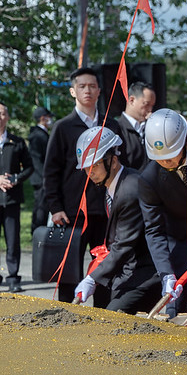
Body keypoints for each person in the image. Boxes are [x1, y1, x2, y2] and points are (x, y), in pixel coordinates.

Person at [43, 67, 125, 303]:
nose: (87, 90)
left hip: (107, 210)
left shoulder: (111, 125)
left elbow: (121, 165)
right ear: (72, 91)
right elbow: (51, 172)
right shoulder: (62, 127)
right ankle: (67, 316)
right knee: (69, 270)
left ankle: (103, 311)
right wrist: (55, 207)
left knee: (106, 265)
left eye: (92, 86)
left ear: (100, 91)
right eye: (82, 86)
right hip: (71, 212)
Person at [72, 126, 161, 313]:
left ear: (113, 160)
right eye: (87, 167)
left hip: (147, 272)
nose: (90, 172)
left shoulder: (130, 189)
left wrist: (92, 278)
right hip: (127, 270)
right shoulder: (114, 184)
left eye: (95, 165)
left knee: (114, 316)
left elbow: (123, 245)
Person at [139, 108, 187, 318]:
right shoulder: (149, 179)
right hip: (180, 240)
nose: (166, 163)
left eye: (171, 157)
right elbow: (154, 230)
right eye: (161, 159)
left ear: (186, 142)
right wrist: (166, 273)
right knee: (174, 302)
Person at [0, 101, 33, 292]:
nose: (0, 116)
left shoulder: (17, 142)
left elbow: (29, 167)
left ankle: (13, 277)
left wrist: (16, 178)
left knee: (12, 240)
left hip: (12, 199)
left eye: (3, 113)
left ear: (8, 117)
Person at [116, 81, 156, 171]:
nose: (150, 110)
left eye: (152, 106)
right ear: (132, 100)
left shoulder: (151, 127)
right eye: (146, 104)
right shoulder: (117, 128)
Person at [28, 106, 53, 233]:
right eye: (49, 117)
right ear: (43, 118)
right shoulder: (37, 136)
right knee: (40, 208)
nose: (50, 120)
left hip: (42, 177)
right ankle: (37, 231)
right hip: (41, 179)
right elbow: (36, 160)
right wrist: (45, 176)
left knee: (44, 206)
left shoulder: (41, 134)